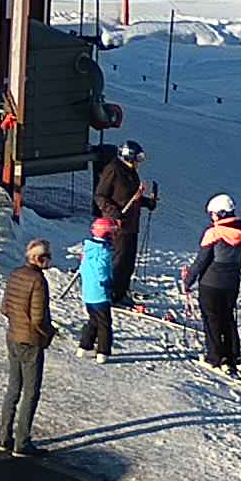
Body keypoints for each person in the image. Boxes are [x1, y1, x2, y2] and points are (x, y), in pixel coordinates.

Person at [0, 240, 57, 455]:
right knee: (31, 392)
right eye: (48, 256)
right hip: (30, 341)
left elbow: (5, 307)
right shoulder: (38, 281)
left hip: (13, 336)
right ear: (39, 259)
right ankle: (22, 442)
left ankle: (4, 436)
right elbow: (38, 318)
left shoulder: (15, 274)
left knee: (13, 388)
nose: (50, 260)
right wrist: (49, 332)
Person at [183, 194, 241, 373]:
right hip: (232, 283)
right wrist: (233, 266)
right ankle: (233, 357)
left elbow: (201, 261)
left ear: (221, 213)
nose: (212, 217)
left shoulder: (213, 233)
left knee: (212, 319)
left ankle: (214, 358)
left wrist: (188, 280)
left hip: (210, 284)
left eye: (213, 213)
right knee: (228, 318)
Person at [94, 143, 158, 309]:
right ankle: (111, 293)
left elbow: (131, 196)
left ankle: (121, 292)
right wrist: (115, 213)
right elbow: (100, 197)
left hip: (131, 224)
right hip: (117, 226)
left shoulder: (131, 172)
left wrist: (147, 202)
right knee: (118, 260)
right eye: (136, 160)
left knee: (128, 261)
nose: (138, 164)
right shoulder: (113, 170)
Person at [73, 217, 118, 359]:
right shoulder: (103, 251)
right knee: (104, 323)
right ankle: (103, 351)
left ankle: (84, 346)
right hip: (100, 292)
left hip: (88, 292)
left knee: (93, 320)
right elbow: (102, 269)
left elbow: (83, 268)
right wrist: (107, 283)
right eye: (112, 232)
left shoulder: (88, 249)